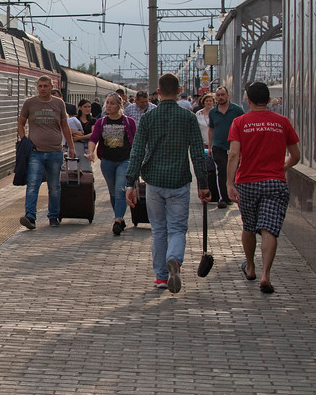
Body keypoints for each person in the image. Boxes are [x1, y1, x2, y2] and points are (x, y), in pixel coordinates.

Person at [125, 73, 211, 293]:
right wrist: (203, 184)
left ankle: (161, 277)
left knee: (159, 230)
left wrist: (130, 182)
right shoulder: (189, 118)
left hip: (153, 182)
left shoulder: (148, 118)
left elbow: (136, 152)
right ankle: (174, 259)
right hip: (179, 181)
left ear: (159, 93)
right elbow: (198, 156)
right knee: (177, 228)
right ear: (179, 90)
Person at [226, 82, 300, 295]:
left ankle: (250, 267)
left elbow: (233, 155)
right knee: (269, 229)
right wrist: (282, 167)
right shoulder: (282, 122)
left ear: (247, 100)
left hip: (247, 182)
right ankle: (266, 275)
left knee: (249, 227)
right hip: (275, 183)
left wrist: (230, 183)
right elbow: (296, 155)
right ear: (268, 101)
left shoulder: (239, 122)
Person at [18, 75, 76, 229]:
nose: (42, 89)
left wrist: (71, 147)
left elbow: (65, 126)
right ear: (37, 87)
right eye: (40, 86)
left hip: (55, 151)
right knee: (32, 185)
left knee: (54, 186)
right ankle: (30, 217)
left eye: (45, 86)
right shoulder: (30, 103)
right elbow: (21, 123)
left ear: (51, 87)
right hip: (36, 152)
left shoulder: (59, 103)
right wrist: (24, 140)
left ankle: (53, 216)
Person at [86, 92, 136, 235]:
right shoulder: (101, 122)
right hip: (107, 162)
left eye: (112, 103)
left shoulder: (129, 122)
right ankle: (120, 217)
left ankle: (118, 220)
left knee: (120, 190)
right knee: (113, 193)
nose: (108, 106)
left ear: (120, 105)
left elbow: (136, 141)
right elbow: (93, 139)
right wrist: (90, 152)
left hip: (125, 161)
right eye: (107, 103)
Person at [208, 86, 245, 209]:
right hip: (218, 145)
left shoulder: (237, 110)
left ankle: (237, 194)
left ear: (227, 96)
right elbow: (211, 129)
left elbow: (244, 126)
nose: (220, 97)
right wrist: (210, 146)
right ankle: (224, 198)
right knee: (222, 170)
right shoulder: (213, 112)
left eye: (222, 95)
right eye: (217, 95)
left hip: (235, 144)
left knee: (235, 170)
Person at [73, 99, 95, 171]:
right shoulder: (74, 119)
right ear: (80, 107)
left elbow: (93, 134)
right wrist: (76, 133)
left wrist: (79, 137)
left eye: (89, 107)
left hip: (86, 147)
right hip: (75, 146)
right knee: (74, 168)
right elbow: (67, 130)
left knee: (86, 168)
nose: (88, 109)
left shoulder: (92, 120)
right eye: (85, 107)